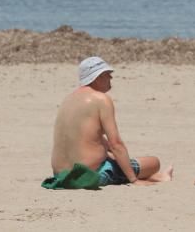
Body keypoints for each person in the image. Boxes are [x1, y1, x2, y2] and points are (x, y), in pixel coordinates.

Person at [51, 56, 170, 187]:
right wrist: (133, 180)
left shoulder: (68, 99)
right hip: (89, 175)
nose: (111, 78)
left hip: (61, 175)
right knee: (153, 163)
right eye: (107, 74)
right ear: (97, 77)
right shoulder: (101, 99)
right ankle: (153, 176)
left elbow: (87, 138)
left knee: (113, 156)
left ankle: (158, 177)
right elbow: (116, 144)